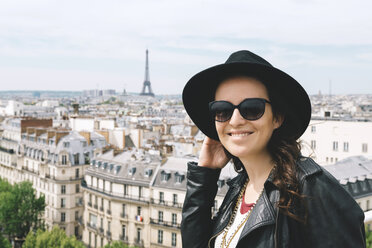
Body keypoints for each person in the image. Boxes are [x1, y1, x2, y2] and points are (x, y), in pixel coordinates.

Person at [181, 50, 365, 248]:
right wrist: (204, 176)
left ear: (277, 118)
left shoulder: (311, 187)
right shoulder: (238, 188)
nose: (235, 120)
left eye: (252, 108)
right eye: (222, 110)